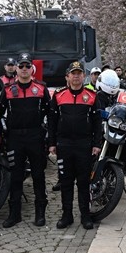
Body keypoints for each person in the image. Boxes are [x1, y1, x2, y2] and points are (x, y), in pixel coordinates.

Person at [0, 52, 51, 228]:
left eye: (28, 66)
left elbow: (49, 112)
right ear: (17, 69)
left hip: (35, 136)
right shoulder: (7, 90)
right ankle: (14, 214)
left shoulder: (41, 88)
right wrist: (3, 131)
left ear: (32, 68)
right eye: (21, 66)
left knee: (38, 176)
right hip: (15, 137)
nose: (25, 69)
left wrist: (47, 134)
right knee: (16, 176)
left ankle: (40, 213)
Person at [48, 61, 102, 230]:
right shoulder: (58, 96)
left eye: (79, 73)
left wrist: (96, 144)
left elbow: (97, 123)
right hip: (64, 144)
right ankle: (67, 215)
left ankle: (85, 216)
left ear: (83, 76)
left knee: (84, 182)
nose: (76, 76)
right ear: (68, 76)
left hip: (84, 144)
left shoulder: (92, 96)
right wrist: (51, 143)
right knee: (65, 182)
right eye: (73, 73)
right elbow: (52, 122)